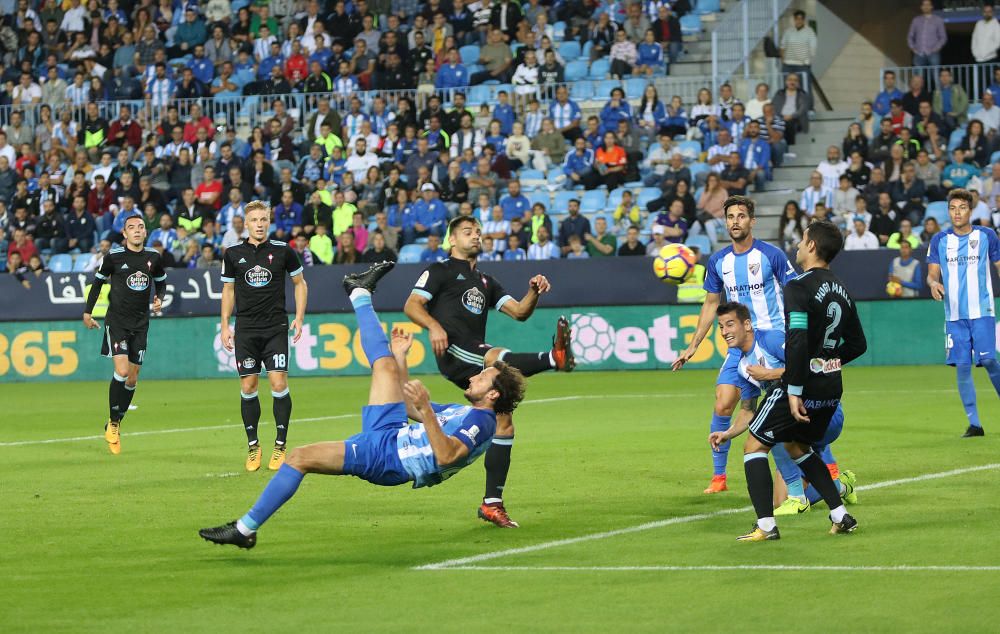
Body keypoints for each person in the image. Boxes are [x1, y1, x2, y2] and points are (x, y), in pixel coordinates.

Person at [199, 261, 527, 549]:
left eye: (483, 377)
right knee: (385, 364)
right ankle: (359, 292)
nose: (475, 376)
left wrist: (427, 410)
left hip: (388, 458)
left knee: (299, 458)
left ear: (493, 395)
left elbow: (446, 455)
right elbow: (409, 404)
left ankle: (244, 529)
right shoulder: (466, 412)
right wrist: (401, 360)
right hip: (392, 432)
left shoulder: (483, 423)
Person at [404, 216, 575, 528]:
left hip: (474, 351)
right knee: (496, 360)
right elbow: (412, 305)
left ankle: (491, 503)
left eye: (478, 232)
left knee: (503, 422)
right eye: (468, 232)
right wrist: (434, 326)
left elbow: (520, 312)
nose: (475, 236)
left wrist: (534, 290)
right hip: (454, 350)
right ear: (451, 240)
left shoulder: (486, 282)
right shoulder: (439, 271)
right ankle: (554, 358)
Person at [717, 220, 866, 541]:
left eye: (802, 240)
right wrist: (825, 363)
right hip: (831, 384)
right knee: (797, 447)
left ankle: (766, 527)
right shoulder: (842, 290)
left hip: (801, 385)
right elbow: (858, 345)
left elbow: (796, 339)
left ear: (812, 246)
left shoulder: (798, 286)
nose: (797, 245)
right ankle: (841, 515)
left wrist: (796, 386)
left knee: (754, 446)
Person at [672, 196, 796, 494]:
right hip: (739, 345)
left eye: (741, 215)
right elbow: (711, 303)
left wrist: (797, 336)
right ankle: (719, 478)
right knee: (723, 401)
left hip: (773, 340)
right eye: (730, 216)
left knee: (788, 410)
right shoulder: (718, 262)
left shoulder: (772, 255)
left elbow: (795, 293)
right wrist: (693, 345)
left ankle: (823, 473)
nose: (735, 221)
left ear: (752, 221)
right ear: (725, 222)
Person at [707, 302, 857, 517]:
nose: (725, 332)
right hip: (794, 422)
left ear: (747, 324)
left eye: (730, 325)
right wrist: (727, 433)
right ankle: (841, 486)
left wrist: (767, 374)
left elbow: (809, 365)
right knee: (779, 501)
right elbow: (748, 411)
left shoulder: (771, 339)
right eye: (721, 327)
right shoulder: (742, 366)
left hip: (823, 412)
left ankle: (798, 499)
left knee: (772, 426)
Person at [220, 201, 308, 472]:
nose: (259, 224)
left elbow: (300, 284)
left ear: (269, 222)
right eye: (254, 220)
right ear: (245, 224)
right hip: (246, 329)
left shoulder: (283, 251)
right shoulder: (233, 253)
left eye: (264, 219)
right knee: (248, 387)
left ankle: (280, 446)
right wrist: (225, 324)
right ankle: (253, 446)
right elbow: (229, 291)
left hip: (274, 328)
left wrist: (300, 317)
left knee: (279, 383)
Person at [82, 213, 167, 455]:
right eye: (132, 227)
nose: (138, 230)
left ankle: (116, 422)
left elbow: (161, 280)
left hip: (141, 323)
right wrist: (88, 312)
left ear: (145, 231)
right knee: (121, 371)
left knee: (132, 378)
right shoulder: (114, 257)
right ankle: (114, 422)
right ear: (125, 233)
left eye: (141, 227)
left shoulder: (153, 257)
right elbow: (97, 283)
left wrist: (159, 297)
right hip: (117, 322)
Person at [926, 188, 1000, 438]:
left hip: (982, 310)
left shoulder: (987, 235)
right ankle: (975, 424)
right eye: (953, 208)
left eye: (962, 208)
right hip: (954, 315)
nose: (957, 213)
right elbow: (932, 273)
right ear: (949, 211)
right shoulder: (939, 240)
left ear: (971, 210)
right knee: (962, 365)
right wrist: (933, 283)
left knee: (989, 361)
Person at [908, 0, 946, 67]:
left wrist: (936, 48)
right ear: (921, 7)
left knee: (935, 74)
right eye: (924, 5)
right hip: (919, 53)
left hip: (933, 53)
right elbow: (910, 36)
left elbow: (943, 37)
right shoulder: (916, 20)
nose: (926, 7)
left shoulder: (938, 20)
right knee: (918, 75)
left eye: (928, 5)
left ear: (931, 6)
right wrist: (913, 48)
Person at [780, 10, 817, 78]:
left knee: (804, 86)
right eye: (797, 18)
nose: (799, 21)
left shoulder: (810, 32)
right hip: (788, 65)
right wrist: (783, 61)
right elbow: (782, 47)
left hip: (803, 65)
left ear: (804, 20)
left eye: (801, 19)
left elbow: (813, 48)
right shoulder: (788, 31)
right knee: (786, 86)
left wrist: (807, 61)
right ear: (794, 19)